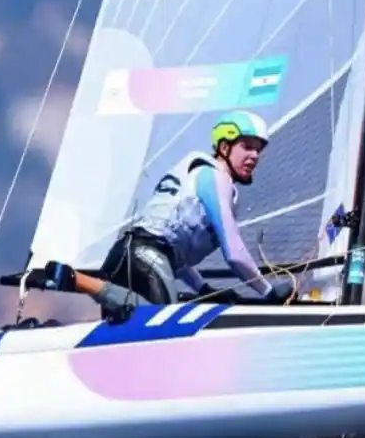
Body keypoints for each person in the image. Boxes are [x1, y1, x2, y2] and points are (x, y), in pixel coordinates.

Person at [43, 110, 295, 314]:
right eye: (246, 146)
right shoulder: (214, 179)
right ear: (224, 147)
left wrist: (203, 288)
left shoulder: (197, 175)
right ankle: (79, 280)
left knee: (128, 326)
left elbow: (176, 252)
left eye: (258, 150)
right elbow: (235, 252)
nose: (254, 156)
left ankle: (86, 283)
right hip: (147, 259)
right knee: (160, 323)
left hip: (126, 256)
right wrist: (268, 292)